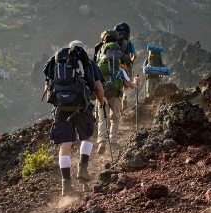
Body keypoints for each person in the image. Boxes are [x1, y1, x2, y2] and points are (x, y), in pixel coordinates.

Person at [44, 40, 107, 196]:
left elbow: (48, 87)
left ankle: (66, 185)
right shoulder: (88, 63)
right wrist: (102, 101)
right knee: (87, 137)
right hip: (81, 107)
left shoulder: (56, 63)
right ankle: (82, 168)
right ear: (81, 49)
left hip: (61, 108)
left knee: (65, 145)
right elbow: (98, 87)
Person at [95, 32, 141, 155]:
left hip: (102, 96)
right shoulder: (120, 69)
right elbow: (131, 86)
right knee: (115, 118)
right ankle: (114, 142)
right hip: (116, 95)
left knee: (102, 119)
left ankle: (102, 142)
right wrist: (136, 82)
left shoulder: (98, 67)